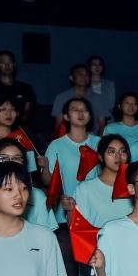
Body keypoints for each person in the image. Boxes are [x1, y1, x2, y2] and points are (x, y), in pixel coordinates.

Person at [41, 96, 99, 226]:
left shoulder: (100, 143)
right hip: (64, 210)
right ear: (66, 117)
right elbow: (48, 182)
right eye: (75, 110)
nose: (81, 113)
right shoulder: (56, 145)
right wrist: (45, 167)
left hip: (95, 210)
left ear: (90, 116)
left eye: (85, 110)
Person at [70, 135, 132, 228]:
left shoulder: (135, 186)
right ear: (100, 157)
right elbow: (77, 227)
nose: (118, 156)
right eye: (112, 151)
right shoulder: (85, 189)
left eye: (122, 151)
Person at [86, 55, 116, 134]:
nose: (97, 67)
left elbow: (111, 105)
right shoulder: (84, 84)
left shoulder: (109, 85)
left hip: (107, 122)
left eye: (100, 64)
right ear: (89, 67)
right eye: (94, 64)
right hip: (89, 122)